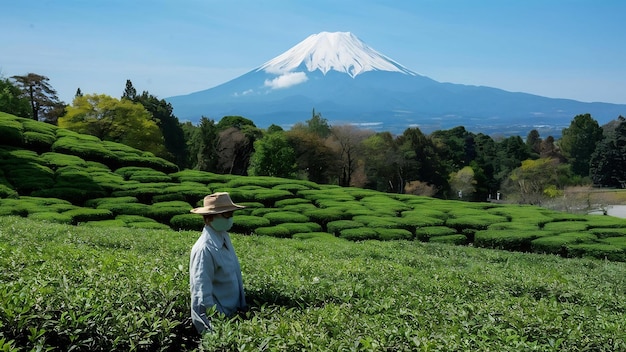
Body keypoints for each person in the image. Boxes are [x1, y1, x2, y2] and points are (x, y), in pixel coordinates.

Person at [189, 192, 247, 334]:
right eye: (226, 214)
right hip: (220, 324)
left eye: (231, 214)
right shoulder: (204, 249)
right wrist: (212, 334)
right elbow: (201, 296)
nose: (231, 218)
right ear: (209, 218)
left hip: (234, 318)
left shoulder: (223, 238)